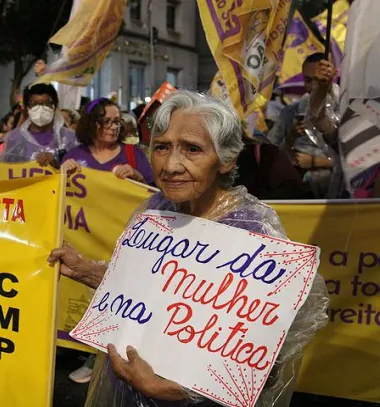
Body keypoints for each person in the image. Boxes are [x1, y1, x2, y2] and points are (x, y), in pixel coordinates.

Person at [48, 91, 329, 407]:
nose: (171, 165)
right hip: (126, 389)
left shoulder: (251, 231)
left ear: (226, 160)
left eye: (192, 149)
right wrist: (86, 270)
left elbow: (268, 358)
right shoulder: (157, 208)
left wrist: (179, 391)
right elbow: (141, 289)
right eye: (162, 147)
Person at [267, 54, 339, 198]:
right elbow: (270, 153)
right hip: (298, 193)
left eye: (319, 79)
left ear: (332, 74)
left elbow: (358, 159)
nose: (314, 85)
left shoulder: (348, 107)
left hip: (338, 196)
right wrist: (289, 139)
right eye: (308, 80)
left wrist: (318, 162)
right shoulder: (292, 112)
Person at [61, 98, 154, 185]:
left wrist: (138, 178)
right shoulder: (73, 156)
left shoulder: (134, 154)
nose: (114, 127)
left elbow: (154, 195)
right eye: (106, 121)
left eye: (117, 121)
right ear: (91, 124)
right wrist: (62, 175)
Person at [0, 83, 78, 167]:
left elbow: (79, 172)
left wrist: (55, 165)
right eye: (34, 104)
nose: (40, 109)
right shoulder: (15, 139)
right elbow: (7, 172)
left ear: (55, 106)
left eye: (47, 103)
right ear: (26, 108)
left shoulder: (69, 138)